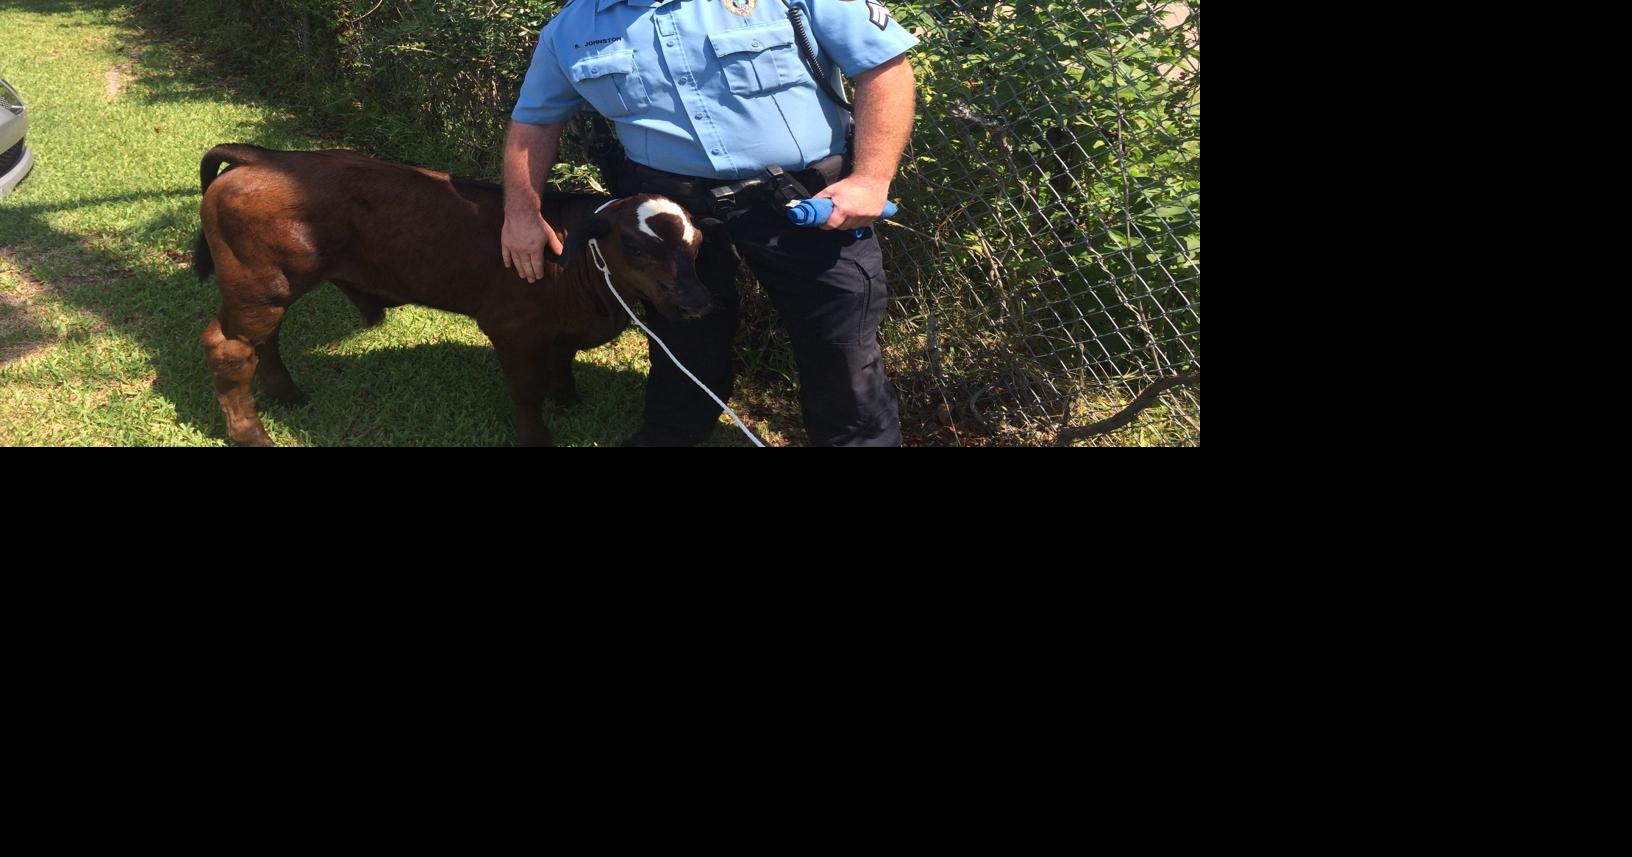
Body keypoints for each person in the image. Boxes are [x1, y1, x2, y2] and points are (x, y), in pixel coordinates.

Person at [501, 0, 917, 447]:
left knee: (840, 351)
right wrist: (522, 213)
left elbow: (884, 68)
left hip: (809, 205)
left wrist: (870, 179)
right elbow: (536, 122)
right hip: (674, 219)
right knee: (684, 336)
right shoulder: (570, 30)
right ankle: (672, 434)